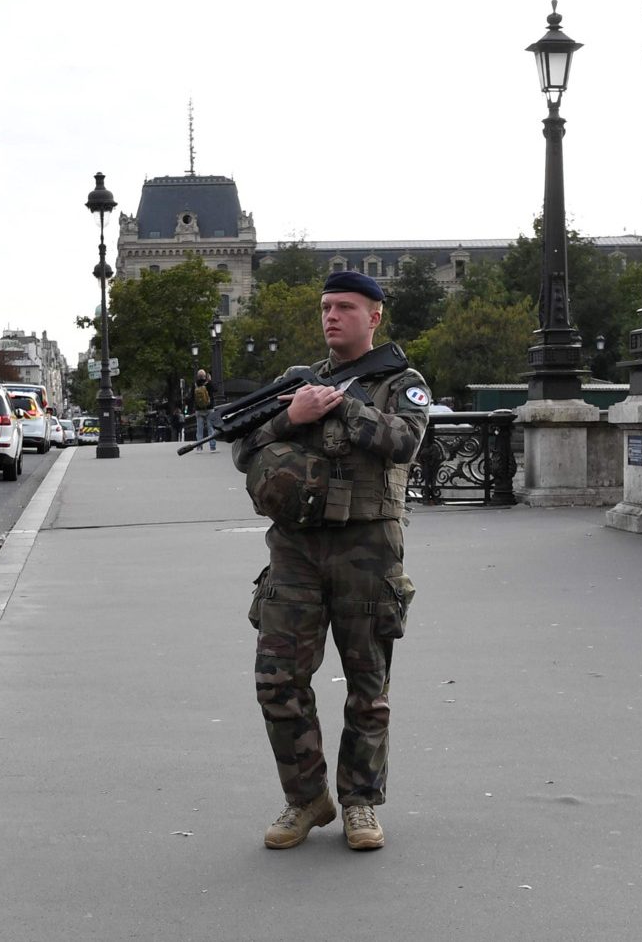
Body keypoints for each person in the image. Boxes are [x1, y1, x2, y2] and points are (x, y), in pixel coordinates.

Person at [233, 270, 430, 851]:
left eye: (345, 307)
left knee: (368, 684)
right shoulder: (295, 384)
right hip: (294, 547)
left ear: (374, 317)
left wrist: (341, 407)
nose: (331, 316)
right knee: (278, 680)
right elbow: (245, 446)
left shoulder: (402, 381)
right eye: (325, 307)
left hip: (368, 547)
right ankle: (306, 798)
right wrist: (293, 416)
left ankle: (360, 802)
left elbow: (404, 442)